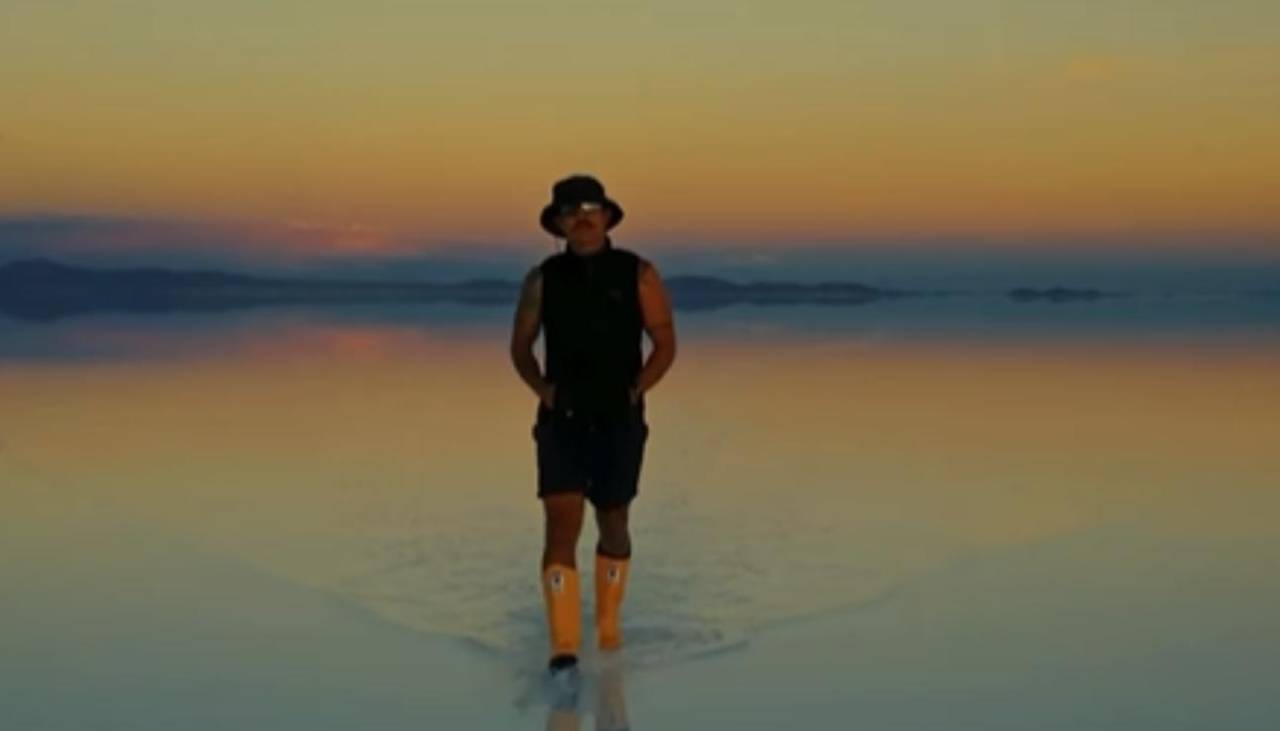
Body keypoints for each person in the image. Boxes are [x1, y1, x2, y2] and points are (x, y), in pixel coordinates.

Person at [509, 174, 677, 675]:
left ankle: (607, 627)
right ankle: (563, 648)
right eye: (570, 212)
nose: (581, 219)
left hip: (619, 416)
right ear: (558, 224)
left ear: (606, 216)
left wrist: (637, 388)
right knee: (561, 523)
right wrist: (543, 390)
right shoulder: (542, 279)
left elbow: (665, 339)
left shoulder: (638, 272)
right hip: (562, 417)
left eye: (590, 209)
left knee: (613, 519)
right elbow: (521, 346)